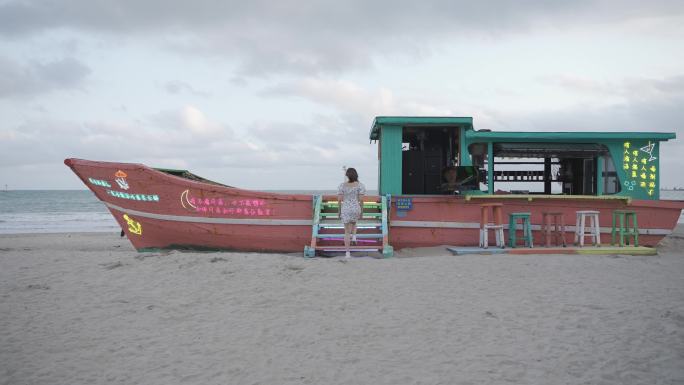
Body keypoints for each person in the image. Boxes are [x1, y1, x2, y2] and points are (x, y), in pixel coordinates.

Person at [338, 167, 366, 258]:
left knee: (346, 231)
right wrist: (362, 211)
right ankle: (354, 235)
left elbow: (339, 200)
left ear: (347, 176)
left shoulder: (342, 185)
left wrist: (338, 211)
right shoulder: (360, 185)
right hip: (355, 208)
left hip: (345, 208)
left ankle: (347, 253)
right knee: (354, 222)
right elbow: (361, 200)